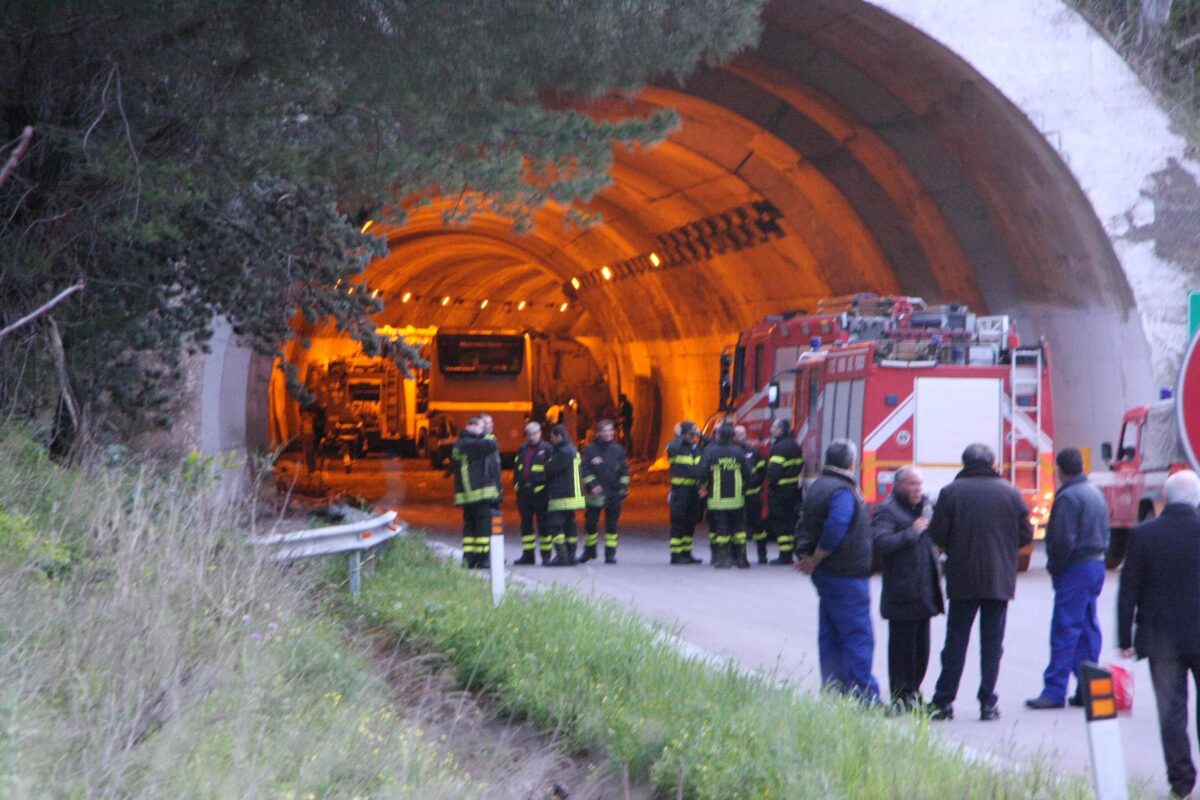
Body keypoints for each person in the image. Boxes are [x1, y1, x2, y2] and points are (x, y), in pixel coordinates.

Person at [927, 443, 1033, 721]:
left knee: (956, 641)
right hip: (1000, 579)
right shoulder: (1010, 492)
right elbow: (1026, 534)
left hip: (963, 578)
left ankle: (944, 700)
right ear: (993, 462)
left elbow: (937, 534)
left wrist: (957, 545)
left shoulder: (951, 493)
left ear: (964, 462)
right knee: (992, 643)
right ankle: (988, 702)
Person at [1117, 470, 1200, 799]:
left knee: (1172, 710)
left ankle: (1181, 782)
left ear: (1164, 499)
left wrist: (1124, 638)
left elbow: (1129, 591)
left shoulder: (1143, 535)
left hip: (1161, 639)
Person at [795, 439, 880, 701]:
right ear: (851, 463)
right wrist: (817, 558)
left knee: (831, 633)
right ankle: (865, 697)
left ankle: (834, 690)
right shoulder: (843, 491)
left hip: (830, 574)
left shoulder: (819, 486)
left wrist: (812, 561)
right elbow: (835, 528)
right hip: (846, 573)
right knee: (857, 635)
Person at [1026, 448, 1109, 710]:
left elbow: (1062, 540)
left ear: (1059, 469)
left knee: (1065, 628)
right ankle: (1089, 689)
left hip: (1076, 566)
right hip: (1095, 563)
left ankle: (1054, 690)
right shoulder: (1094, 493)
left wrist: (1055, 567)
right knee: (1086, 628)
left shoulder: (1068, 497)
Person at [872, 466, 943, 711]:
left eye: (920, 484)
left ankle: (913, 692)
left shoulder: (925, 507)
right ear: (899, 485)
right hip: (902, 591)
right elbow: (881, 542)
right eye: (912, 484)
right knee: (902, 649)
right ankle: (900, 696)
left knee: (921, 649)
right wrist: (910, 533)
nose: (918, 489)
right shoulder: (888, 510)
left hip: (924, 590)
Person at [699, 422, 752, 569]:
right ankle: (742, 559)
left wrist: (703, 488)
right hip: (737, 500)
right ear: (732, 436)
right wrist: (744, 487)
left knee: (721, 530)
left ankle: (723, 560)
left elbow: (702, 474)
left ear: (718, 435)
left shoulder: (710, 452)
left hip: (717, 500)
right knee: (739, 530)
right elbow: (748, 474)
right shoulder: (738, 453)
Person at [450, 416, 501, 569]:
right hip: (480, 494)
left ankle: (469, 558)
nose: (483, 430)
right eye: (481, 427)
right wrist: (485, 433)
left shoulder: (458, 445)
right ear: (472, 428)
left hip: (466, 495)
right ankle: (483, 558)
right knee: (482, 528)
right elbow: (492, 444)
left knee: (470, 528)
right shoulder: (475, 444)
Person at [580, 419, 630, 564]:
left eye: (611, 430)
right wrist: (593, 484)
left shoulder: (618, 450)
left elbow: (624, 470)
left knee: (612, 524)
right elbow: (585, 469)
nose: (609, 433)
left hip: (613, 492)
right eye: (605, 431)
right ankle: (589, 552)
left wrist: (623, 486)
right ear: (599, 433)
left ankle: (610, 554)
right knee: (591, 523)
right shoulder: (590, 450)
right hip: (595, 493)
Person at [543, 424, 585, 567]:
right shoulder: (572, 449)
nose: (551, 440)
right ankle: (571, 556)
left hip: (562, 495)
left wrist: (546, 462)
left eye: (552, 437)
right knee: (570, 526)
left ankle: (562, 556)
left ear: (558, 436)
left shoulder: (562, 452)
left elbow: (550, 469)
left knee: (555, 526)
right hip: (573, 496)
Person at [513, 422, 553, 565]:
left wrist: (547, 489)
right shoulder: (522, 449)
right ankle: (528, 555)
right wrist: (517, 486)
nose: (532, 437)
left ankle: (546, 556)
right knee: (526, 525)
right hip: (524, 492)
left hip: (541, 493)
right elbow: (517, 469)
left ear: (540, 433)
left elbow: (551, 472)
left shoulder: (547, 449)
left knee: (544, 525)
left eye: (535, 433)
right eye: (529, 434)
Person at [765, 418, 804, 565]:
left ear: (781, 430)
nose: (771, 430)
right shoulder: (795, 445)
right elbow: (800, 465)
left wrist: (770, 483)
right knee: (791, 521)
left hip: (779, 491)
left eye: (774, 427)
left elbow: (774, 471)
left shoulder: (780, 447)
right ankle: (793, 552)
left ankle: (784, 555)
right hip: (793, 490)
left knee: (780, 523)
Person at [666, 420, 704, 564]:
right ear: (683, 434)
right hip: (680, 491)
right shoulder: (676, 446)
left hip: (694, 491)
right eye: (690, 434)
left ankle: (686, 553)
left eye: (694, 434)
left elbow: (712, 444)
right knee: (678, 522)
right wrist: (678, 436)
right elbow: (671, 448)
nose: (692, 436)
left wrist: (701, 435)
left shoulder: (697, 448)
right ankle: (676, 554)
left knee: (690, 522)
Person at [734, 425, 769, 564]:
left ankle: (762, 554)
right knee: (739, 527)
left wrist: (755, 484)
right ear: (733, 436)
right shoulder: (732, 452)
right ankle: (740, 556)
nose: (743, 436)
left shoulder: (754, 452)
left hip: (752, 496)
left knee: (758, 526)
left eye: (744, 433)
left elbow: (762, 471)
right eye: (739, 434)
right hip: (737, 496)